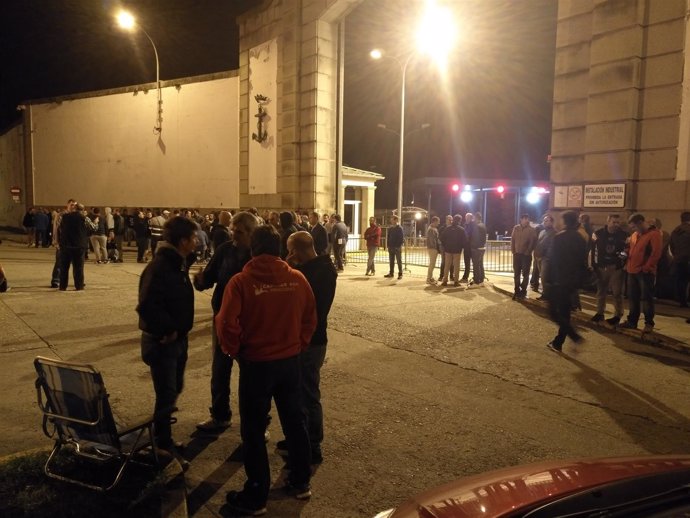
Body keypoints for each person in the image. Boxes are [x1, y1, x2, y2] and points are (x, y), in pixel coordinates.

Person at [216, 225, 316, 516]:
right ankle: (300, 481)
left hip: (256, 364)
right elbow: (311, 317)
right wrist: (299, 344)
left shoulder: (241, 282)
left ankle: (257, 494)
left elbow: (226, 324)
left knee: (254, 429)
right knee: (295, 422)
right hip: (289, 362)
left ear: (253, 249)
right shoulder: (298, 279)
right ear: (279, 250)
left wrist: (235, 350)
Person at [137, 216, 198, 458]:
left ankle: (163, 439)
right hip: (163, 343)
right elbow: (147, 305)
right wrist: (167, 330)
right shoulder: (161, 267)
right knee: (166, 395)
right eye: (193, 238)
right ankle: (162, 445)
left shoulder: (176, 263)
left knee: (173, 390)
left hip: (178, 340)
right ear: (183, 241)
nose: (196, 242)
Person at [193, 211, 257, 432]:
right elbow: (209, 278)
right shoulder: (224, 250)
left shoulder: (258, 253)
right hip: (222, 317)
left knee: (251, 375)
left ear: (251, 232)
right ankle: (220, 415)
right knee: (220, 369)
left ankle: (255, 422)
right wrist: (199, 281)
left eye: (239, 232)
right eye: (233, 231)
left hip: (250, 322)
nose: (235, 236)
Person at [279, 230, 337, 464]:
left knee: (309, 394)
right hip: (308, 338)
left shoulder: (317, 272)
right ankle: (300, 438)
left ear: (297, 250)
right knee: (300, 392)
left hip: (310, 341)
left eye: (291, 250)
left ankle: (312, 445)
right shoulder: (317, 268)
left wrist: (288, 266)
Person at [545, 211, 588, 352]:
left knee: (553, 312)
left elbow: (552, 260)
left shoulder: (559, 238)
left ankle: (574, 336)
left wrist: (548, 279)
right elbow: (583, 262)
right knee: (564, 312)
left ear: (565, 222)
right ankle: (558, 342)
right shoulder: (580, 239)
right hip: (571, 281)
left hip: (559, 280)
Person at [620, 213, 663, 333]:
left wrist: (646, 267)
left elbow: (656, 253)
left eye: (634, 226)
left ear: (640, 223)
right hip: (632, 270)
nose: (633, 229)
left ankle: (649, 323)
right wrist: (625, 255)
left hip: (645, 272)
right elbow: (630, 249)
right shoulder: (635, 235)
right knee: (633, 297)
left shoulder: (654, 234)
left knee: (646, 298)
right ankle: (632, 321)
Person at [590, 214, 628, 325]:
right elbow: (592, 250)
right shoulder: (597, 234)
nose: (616, 224)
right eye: (614, 222)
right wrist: (593, 264)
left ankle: (617, 315)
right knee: (601, 291)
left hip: (616, 268)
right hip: (602, 267)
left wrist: (619, 259)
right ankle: (599, 313)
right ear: (608, 221)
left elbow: (627, 251)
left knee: (617, 293)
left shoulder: (624, 235)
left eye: (618, 222)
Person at [58, 203, 94, 291]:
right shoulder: (84, 218)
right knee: (78, 267)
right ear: (82, 210)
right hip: (79, 245)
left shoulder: (65, 217)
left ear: (74, 209)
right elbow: (93, 228)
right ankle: (79, 286)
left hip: (66, 245)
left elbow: (61, 228)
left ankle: (62, 286)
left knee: (64, 267)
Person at [511, 214, 538, 300]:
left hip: (526, 256)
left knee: (525, 274)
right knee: (516, 273)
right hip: (517, 254)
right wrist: (513, 250)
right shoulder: (516, 228)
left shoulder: (531, 230)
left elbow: (533, 242)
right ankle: (516, 290)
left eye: (527, 218)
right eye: (524, 218)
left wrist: (528, 252)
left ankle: (523, 289)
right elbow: (513, 239)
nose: (526, 220)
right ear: (521, 219)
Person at [50, 199, 75, 288]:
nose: (73, 207)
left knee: (72, 263)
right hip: (62, 242)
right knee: (59, 261)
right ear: (67, 205)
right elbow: (56, 229)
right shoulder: (61, 215)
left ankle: (68, 280)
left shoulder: (74, 215)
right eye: (71, 205)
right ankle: (55, 280)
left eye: (74, 205)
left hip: (72, 243)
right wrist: (56, 241)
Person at [439, 214, 467, 287]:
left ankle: (445, 281)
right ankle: (456, 282)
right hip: (457, 251)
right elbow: (465, 241)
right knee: (456, 266)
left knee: (447, 265)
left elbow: (442, 238)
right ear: (459, 221)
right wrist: (462, 247)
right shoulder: (461, 229)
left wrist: (446, 245)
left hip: (448, 250)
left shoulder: (448, 228)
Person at [669, 211, 690, 307]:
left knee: (681, 280)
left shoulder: (675, 230)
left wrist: (676, 255)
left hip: (678, 259)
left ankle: (682, 301)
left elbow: (671, 246)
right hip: (688, 259)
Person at [533, 215, 556, 301]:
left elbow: (551, 247)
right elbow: (538, 243)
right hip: (538, 257)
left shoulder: (554, 233)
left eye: (547, 220)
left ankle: (546, 295)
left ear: (551, 222)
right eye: (544, 220)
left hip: (545, 259)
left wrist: (546, 257)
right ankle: (545, 294)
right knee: (542, 277)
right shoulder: (542, 232)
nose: (544, 222)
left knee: (545, 277)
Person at [469, 212, 487, 287]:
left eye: (474, 218)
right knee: (480, 264)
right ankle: (481, 279)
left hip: (476, 248)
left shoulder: (477, 226)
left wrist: (472, 245)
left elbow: (475, 238)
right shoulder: (483, 225)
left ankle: (476, 281)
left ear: (476, 218)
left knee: (476, 265)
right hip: (482, 247)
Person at [384, 215, 404, 279]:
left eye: (392, 219)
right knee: (391, 261)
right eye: (391, 219)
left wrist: (397, 246)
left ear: (396, 220)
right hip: (391, 247)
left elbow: (401, 238)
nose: (391, 221)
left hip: (397, 248)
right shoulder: (391, 228)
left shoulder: (399, 228)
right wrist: (388, 246)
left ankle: (400, 273)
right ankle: (391, 273)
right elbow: (388, 237)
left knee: (399, 261)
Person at [426, 216, 441, 284]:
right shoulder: (432, 229)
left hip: (432, 248)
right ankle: (429, 279)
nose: (439, 223)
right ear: (434, 221)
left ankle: (430, 278)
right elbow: (433, 240)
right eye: (438, 222)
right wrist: (436, 248)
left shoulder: (432, 228)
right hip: (433, 248)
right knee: (432, 264)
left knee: (432, 264)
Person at [460, 213, 474, 283]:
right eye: (466, 217)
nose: (466, 218)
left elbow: (470, 234)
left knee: (474, 263)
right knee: (467, 263)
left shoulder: (473, 225)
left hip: (472, 246)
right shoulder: (465, 225)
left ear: (471, 218)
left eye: (468, 217)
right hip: (466, 246)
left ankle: (476, 277)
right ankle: (465, 277)